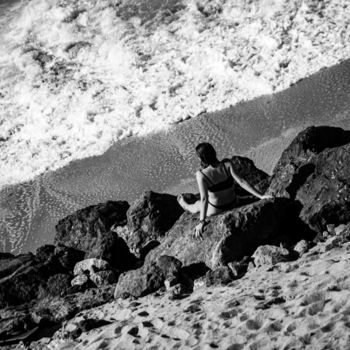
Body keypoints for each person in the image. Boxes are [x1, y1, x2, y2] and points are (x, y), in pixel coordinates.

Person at [177, 143, 272, 238]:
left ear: (201, 158)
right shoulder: (227, 164)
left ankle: (185, 204)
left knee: (197, 205)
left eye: (198, 156)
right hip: (234, 202)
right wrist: (261, 196)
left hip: (216, 209)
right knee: (240, 195)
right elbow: (241, 181)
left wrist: (202, 222)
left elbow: (204, 199)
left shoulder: (201, 174)